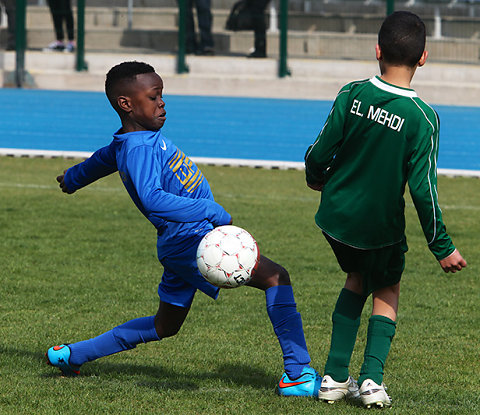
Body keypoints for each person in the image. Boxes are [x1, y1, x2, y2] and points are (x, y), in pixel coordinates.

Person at [45, 61, 321, 397]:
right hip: (191, 238)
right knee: (276, 277)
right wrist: (210, 209)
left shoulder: (133, 141)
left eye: (161, 95)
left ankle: (74, 355)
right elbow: (152, 198)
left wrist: (73, 178)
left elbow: (103, 158)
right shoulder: (140, 147)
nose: (162, 103)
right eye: (154, 96)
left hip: (180, 242)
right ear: (126, 104)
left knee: (165, 325)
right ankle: (296, 373)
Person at [304, 11, 467, 408]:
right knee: (387, 287)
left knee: (356, 278)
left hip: (337, 219)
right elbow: (423, 189)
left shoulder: (352, 93)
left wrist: (316, 175)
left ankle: (334, 378)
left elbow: (320, 149)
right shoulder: (423, 118)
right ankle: (372, 381)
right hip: (380, 226)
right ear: (424, 57)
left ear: (377, 50)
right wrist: (441, 246)